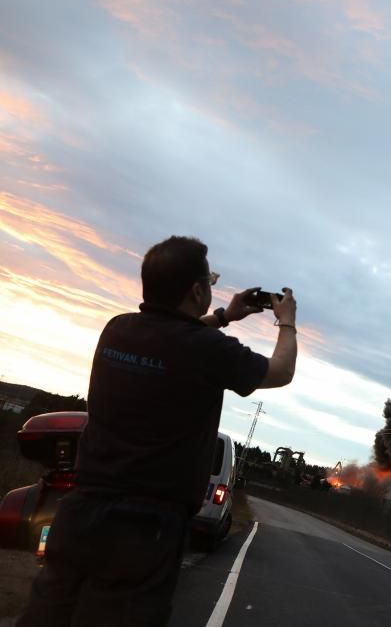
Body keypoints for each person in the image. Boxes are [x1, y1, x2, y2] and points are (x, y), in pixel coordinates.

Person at [17, 235, 298, 627]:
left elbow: (170, 333)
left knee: (47, 615)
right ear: (198, 290)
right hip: (147, 528)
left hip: (80, 511)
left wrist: (224, 316)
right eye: (207, 282)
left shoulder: (118, 330)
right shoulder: (207, 350)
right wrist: (286, 321)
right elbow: (280, 371)